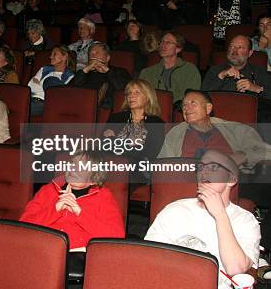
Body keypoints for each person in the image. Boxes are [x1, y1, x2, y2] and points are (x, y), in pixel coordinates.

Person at [145, 150, 260, 288]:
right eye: (200, 168)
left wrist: (220, 215)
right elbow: (149, 258)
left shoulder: (245, 220)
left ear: (231, 179)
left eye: (213, 167)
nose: (203, 173)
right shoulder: (175, 210)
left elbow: (235, 269)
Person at [20, 150, 125, 250]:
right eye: (72, 163)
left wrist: (79, 213)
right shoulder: (48, 190)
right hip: (43, 250)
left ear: (93, 179)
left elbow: (117, 236)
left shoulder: (104, 197)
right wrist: (54, 209)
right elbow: (23, 226)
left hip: (80, 255)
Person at [158, 89, 270, 171]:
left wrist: (239, 156)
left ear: (208, 108)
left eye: (193, 103)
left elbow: (263, 150)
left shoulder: (234, 129)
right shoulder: (176, 133)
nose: (187, 108)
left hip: (230, 181)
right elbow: (161, 164)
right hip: (187, 182)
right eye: (184, 105)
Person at [203, 35, 271, 122]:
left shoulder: (259, 72)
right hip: (219, 120)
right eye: (231, 46)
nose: (234, 51)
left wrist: (256, 88)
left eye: (240, 47)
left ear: (250, 53)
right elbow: (201, 97)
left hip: (251, 122)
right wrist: (221, 76)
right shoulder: (215, 71)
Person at [103, 79, 165, 162]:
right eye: (129, 93)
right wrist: (133, 145)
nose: (131, 96)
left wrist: (114, 140)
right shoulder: (116, 118)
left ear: (148, 97)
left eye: (137, 92)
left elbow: (150, 154)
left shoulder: (156, 123)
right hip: (111, 164)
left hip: (137, 169)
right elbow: (104, 145)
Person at [139, 31, 201, 107]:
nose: (163, 45)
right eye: (162, 42)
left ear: (178, 49)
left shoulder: (190, 70)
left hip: (178, 111)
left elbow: (191, 97)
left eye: (168, 42)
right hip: (152, 111)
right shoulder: (147, 72)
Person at [70, 42, 131, 109]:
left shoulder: (119, 72)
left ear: (107, 58)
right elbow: (69, 90)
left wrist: (107, 71)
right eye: (90, 54)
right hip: (81, 108)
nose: (92, 56)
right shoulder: (84, 73)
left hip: (105, 111)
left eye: (97, 53)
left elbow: (125, 88)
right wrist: (85, 70)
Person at [28, 45, 75, 116]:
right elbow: (31, 85)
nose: (50, 57)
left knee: (49, 80)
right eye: (51, 54)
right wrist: (43, 88)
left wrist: (40, 83)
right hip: (30, 98)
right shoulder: (44, 69)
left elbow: (60, 95)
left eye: (54, 54)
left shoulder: (70, 76)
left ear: (65, 56)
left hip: (45, 104)